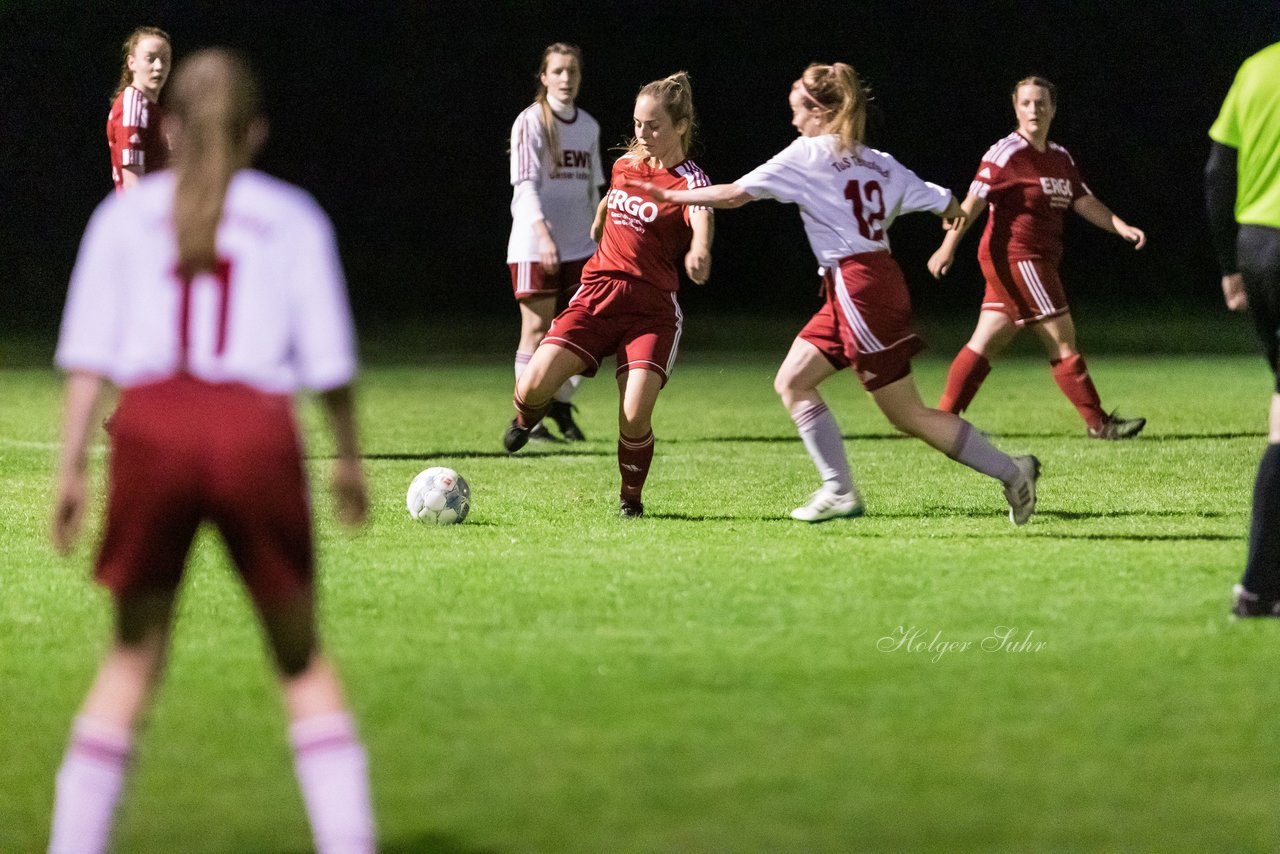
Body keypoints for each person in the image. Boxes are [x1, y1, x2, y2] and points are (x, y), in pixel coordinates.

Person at [48, 50, 375, 853]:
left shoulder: (123, 217)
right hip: (254, 432)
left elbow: (89, 361)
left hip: (152, 430)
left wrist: (69, 471)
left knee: (130, 662)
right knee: (300, 664)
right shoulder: (291, 216)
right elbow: (329, 363)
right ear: (255, 132)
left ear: (170, 129)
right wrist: (347, 457)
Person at [630, 63, 1040, 525]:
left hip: (857, 288)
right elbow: (946, 201)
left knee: (906, 414)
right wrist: (949, 212)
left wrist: (673, 198)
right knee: (792, 381)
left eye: (797, 111)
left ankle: (1012, 471)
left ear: (821, 112)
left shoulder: (808, 154)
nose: (793, 121)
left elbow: (733, 195)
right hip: (860, 285)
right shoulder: (877, 160)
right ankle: (839, 488)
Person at [503, 71, 713, 518]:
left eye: (654, 125)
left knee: (634, 413)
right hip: (597, 295)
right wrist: (600, 219)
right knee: (532, 382)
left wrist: (699, 246)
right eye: (638, 124)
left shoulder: (690, 179)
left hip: (651, 311)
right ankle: (526, 420)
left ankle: (630, 501)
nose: (643, 133)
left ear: (680, 126)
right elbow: (614, 195)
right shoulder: (626, 165)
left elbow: (700, 210)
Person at [928, 76, 1148, 440]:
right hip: (1019, 258)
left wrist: (1119, 225)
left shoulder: (1059, 157)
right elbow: (972, 202)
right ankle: (1099, 424)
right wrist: (948, 246)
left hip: (1037, 259)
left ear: (1053, 109)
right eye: (1026, 103)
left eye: (1041, 103)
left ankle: (940, 421)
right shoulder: (1005, 153)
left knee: (988, 339)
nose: (1034, 110)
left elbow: (1082, 198)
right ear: (1016, 109)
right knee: (1062, 338)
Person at [1205, 42, 1280, 617]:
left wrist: (1231, 264)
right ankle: (1257, 584)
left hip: (1258, 248)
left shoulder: (1255, 67)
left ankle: (1259, 587)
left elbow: (1217, 172)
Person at [506, 43, 605, 442]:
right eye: (558, 71)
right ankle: (527, 422)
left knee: (583, 330)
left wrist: (604, 239)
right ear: (544, 77)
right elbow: (525, 187)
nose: (566, 79)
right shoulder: (530, 122)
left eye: (573, 72)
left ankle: (560, 407)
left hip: (582, 247)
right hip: (535, 244)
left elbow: (593, 191)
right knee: (537, 329)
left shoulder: (589, 127)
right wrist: (544, 235)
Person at [107, 26, 172, 192]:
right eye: (150, 58)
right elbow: (132, 184)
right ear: (132, 63)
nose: (158, 66)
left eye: (165, 59)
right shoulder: (132, 104)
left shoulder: (153, 109)